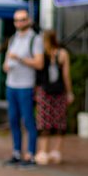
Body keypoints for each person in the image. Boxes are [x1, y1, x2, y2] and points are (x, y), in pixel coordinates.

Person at [2, 9, 43, 168]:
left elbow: (39, 63)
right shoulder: (13, 39)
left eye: (22, 19)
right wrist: (6, 65)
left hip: (25, 85)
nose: (19, 23)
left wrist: (19, 59)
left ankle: (31, 154)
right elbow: (7, 60)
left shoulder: (35, 39)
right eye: (16, 20)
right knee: (13, 119)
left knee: (28, 120)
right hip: (11, 83)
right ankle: (16, 152)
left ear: (29, 20)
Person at [34, 30, 73, 165]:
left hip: (45, 91)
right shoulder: (62, 54)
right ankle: (56, 152)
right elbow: (66, 75)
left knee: (45, 120)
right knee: (59, 121)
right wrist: (69, 92)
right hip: (59, 91)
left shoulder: (41, 54)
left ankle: (44, 152)